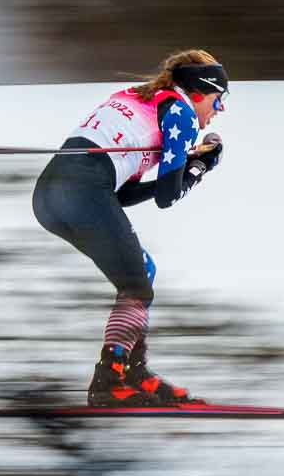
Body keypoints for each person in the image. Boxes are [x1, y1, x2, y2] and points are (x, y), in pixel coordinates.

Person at [32, 50, 227, 407]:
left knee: (142, 271)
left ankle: (133, 373)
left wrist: (188, 162)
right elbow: (168, 197)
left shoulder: (138, 98)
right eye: (218, 99)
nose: (219, 111)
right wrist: (200, 167)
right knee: (136, 283)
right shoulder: (180, 112)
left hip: (50, 197)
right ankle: (110, 380)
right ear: (199, 91)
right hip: (81, 191)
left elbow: (120, 195)